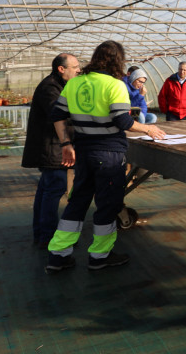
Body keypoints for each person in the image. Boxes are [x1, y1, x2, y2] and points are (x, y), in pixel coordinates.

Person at [45, 41, 166, 274]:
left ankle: (58, 256)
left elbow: (57, 115)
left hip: (84, 152)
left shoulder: (74, 83)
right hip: (109, 153)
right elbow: (123, 121)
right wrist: (149, 129)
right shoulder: (115, 85)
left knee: (77, 201)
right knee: (107, 205)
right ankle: (100, 257)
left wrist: (66, 144)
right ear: (117, 60)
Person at [22, 53, 81, 250]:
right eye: (75, 67)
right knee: (54, 190)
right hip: (52, 148)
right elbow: (59, 114)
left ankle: (41, 233)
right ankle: (48, 236)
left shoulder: (58, 85)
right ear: (61, 69)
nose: (79, 70)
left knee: (46, 190)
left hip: (51, 146)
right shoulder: (50, 87)